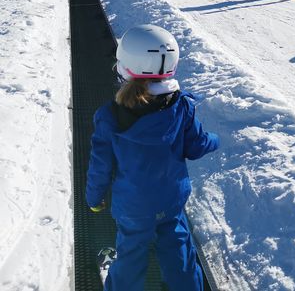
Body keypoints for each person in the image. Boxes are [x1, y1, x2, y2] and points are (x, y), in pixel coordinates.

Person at [86, 24, 219, 291]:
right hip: (170, 200)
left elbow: (100, 164)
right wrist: (214, 140)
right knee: (178, 252)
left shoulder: (110, 116)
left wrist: (94, 198)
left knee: (131, 254)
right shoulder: (181, 106)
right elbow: (195, 146)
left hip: (133, 206)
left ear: (124, 66)